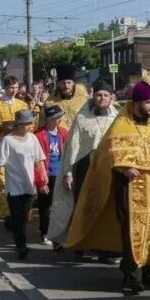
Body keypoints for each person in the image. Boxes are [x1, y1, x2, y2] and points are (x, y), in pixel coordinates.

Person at [65, 81, 150, 291]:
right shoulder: (122, 123)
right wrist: (123, 169)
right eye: (148, 103)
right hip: (128, 188)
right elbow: (107, 154)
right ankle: (132, 277)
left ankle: (146, 273)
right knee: (131, 231)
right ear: (137, 103)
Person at [46, 79, 120, 252]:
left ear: (111, 97)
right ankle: (81, 242)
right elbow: (73, 147)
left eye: (105, 95)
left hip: (109, 169)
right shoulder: (82, 118)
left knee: (106, 207)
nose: (101, 98)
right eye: (98, 95)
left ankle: (105, 247)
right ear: (93, 96)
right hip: (85, 168)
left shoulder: (117, 117)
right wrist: (68, 173)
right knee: (84, 206)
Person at [0, 109, 49, 259]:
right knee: (18, 217)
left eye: (31, 123)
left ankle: (21, 241)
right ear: (18, 124)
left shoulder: (32, 138)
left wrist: (43, 176)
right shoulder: (8, 140)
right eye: (27, 123)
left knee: (25, 216)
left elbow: (39, 159)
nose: (30, 126)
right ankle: (21, 246)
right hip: (14, 186)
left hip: (29, 185)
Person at [0, 76, 30, 219]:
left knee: (21, 178)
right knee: (1, 180)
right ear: (4, 87)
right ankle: (6, 213)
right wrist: (0, 127)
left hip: (19, 148)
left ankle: (22, 212)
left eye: (16, 87)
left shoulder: (22, 104)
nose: (13, 90)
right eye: (10, 88)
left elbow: (30, 124)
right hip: (1, 146)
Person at [34, 104, 68, 248]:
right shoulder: (38, 135)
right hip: (46, 174)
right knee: (45, 206)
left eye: (60, 117)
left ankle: (59, 234)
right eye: (56, 117)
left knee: (60, 206)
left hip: (60, 174)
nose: (60, 119)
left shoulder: (64, 133)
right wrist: (41, 181)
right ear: (48, 119)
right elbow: (36, 160)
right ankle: (45, 233)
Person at [39, 64, 89, 130]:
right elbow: (42, 123)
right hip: (59, 138)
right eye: (63, 83)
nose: (66, 86)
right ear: (58, 83)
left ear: (73, 83)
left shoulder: (84, 98)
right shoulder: (49, 102)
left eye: (69, 83)